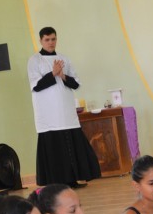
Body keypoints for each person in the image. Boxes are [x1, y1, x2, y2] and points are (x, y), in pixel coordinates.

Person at [28, 27, 101, 187]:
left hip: (66, 113)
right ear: (41, 40)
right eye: (47, 40)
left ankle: (73, 180)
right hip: (48, 115)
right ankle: (57, 183)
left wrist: (62, 75)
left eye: (53, 39)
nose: (51, 42)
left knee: (71, 145)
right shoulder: (35, 60)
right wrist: (53, 73)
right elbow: (36, 86)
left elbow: (75, 84)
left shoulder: (64, 59)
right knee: (54, 149)